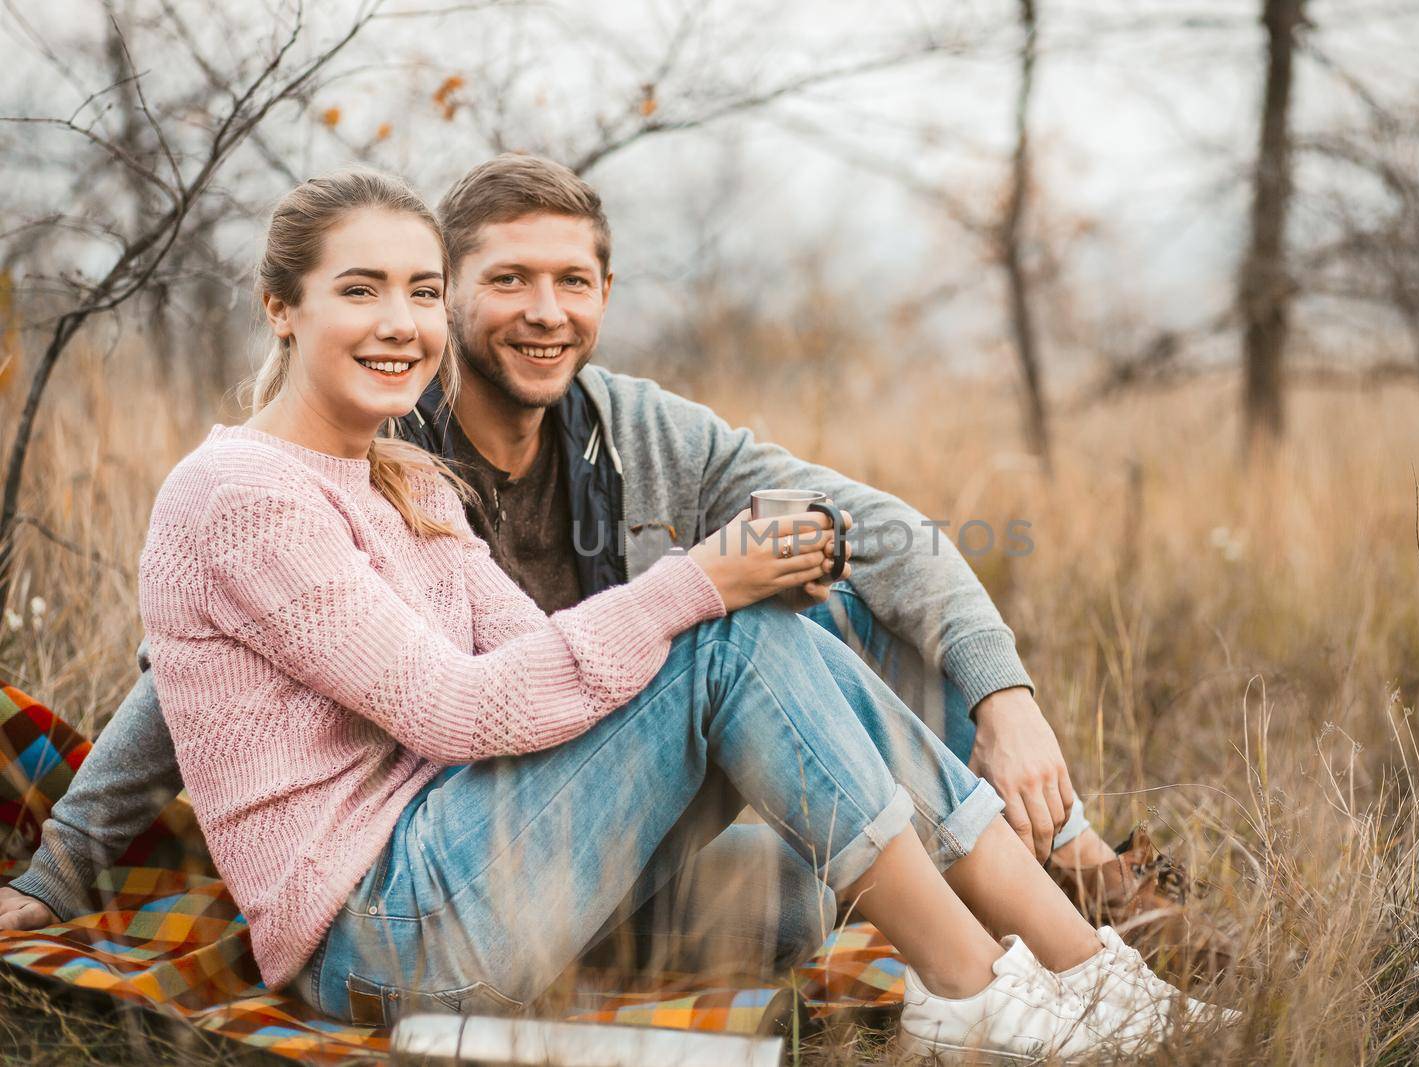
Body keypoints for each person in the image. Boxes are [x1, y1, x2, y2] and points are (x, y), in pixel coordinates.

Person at [1, 154, 1216, 978]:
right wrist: (61, 870)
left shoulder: (604, 435)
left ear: (603, 294)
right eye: (495, 281)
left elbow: (887, 528)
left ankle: (1083, 917)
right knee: (737, 630)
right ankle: (1009, 986)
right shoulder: (359, 445)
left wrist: (1000, 692)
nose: (541, 310)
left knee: (821, 655)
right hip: (446, 839)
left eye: (570, 280)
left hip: (555, 796)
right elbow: (203, 674)